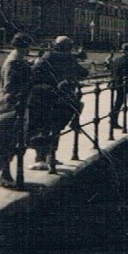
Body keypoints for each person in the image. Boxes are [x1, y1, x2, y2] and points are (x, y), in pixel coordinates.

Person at [0, 33, 34, 188]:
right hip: (8, 106)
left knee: (12, 143)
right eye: (28, 46)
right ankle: (4, 175)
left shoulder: (16, 59)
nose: (29, 49)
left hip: (12, 104)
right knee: (10, 143)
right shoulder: (14, 61)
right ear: (23, 46)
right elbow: (9, 86)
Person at [27, 36, 89, 171]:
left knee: (44, 127)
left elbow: (35, 71)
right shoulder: (69, 58)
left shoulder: (48, 56)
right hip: (63, 99)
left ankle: (41, 158)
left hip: (47, 98)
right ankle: (51, 156)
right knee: (56, 128)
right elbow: (83, 73)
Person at [110, 43, 128, 130]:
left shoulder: (117, 59)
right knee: (118, 102)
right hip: (121, 84)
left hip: (116, 83)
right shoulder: (125, 61)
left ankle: (113, 119)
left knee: (118, 102)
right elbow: (125, 74)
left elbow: (113, 71)